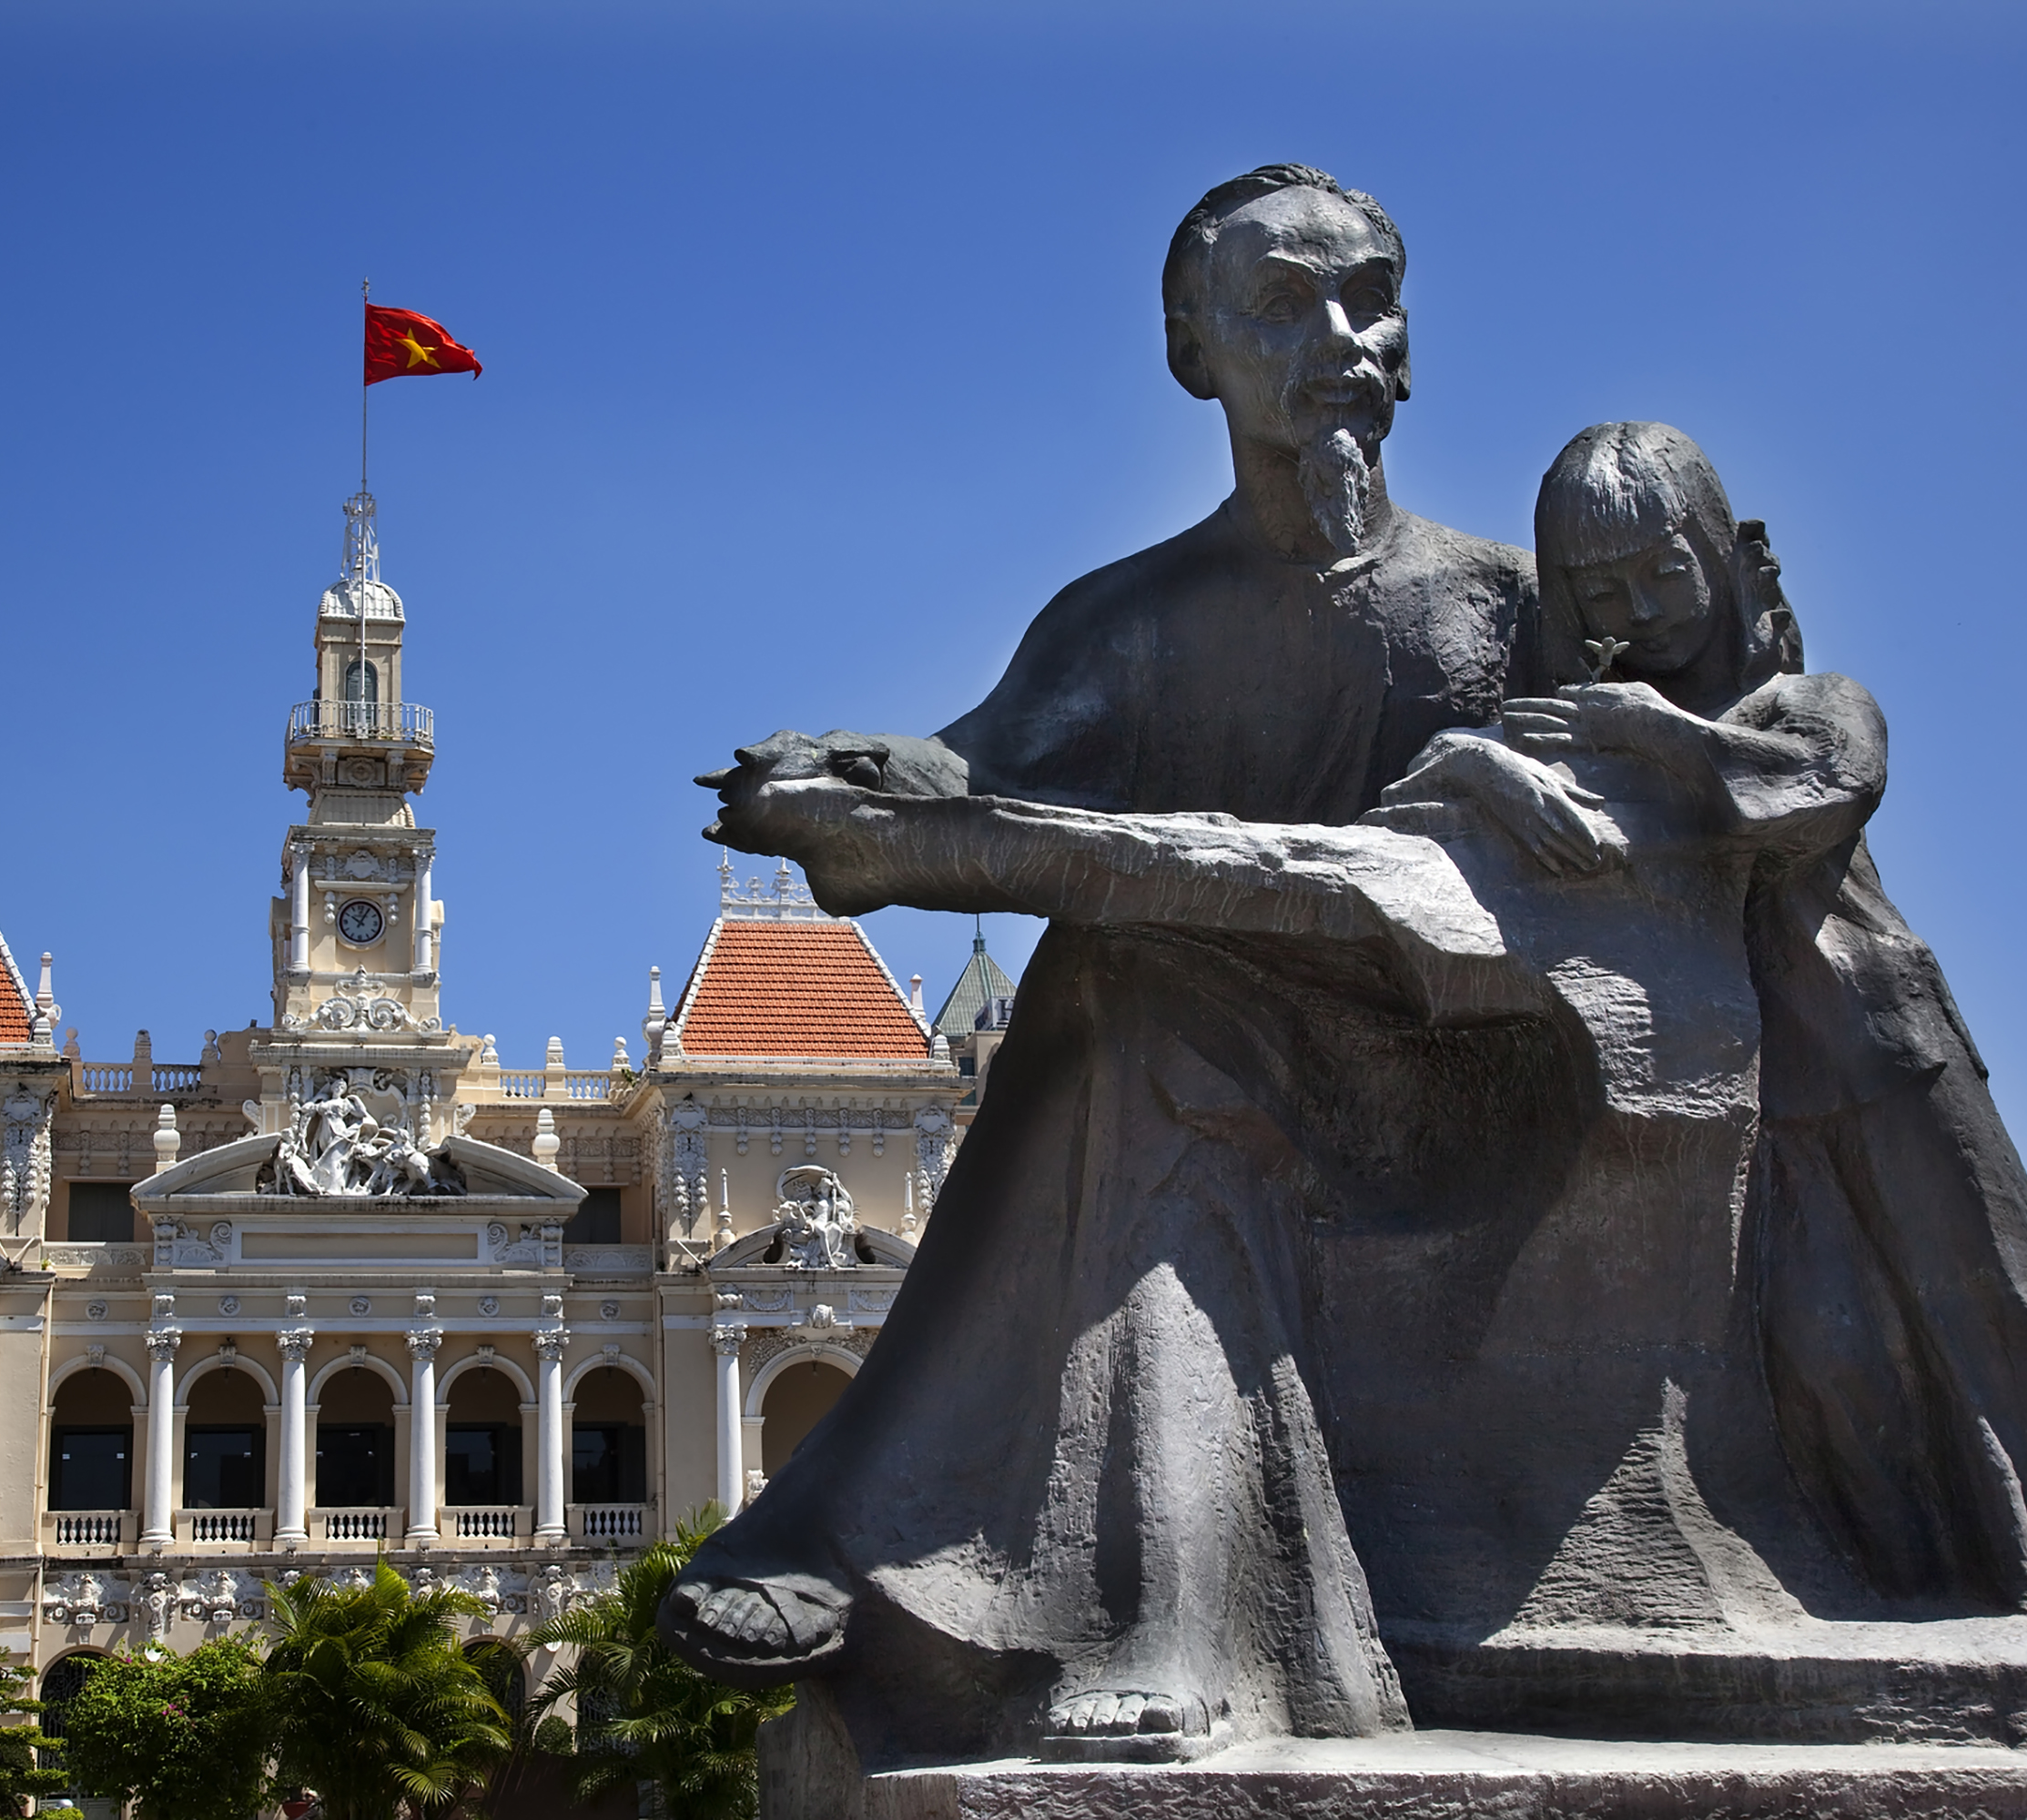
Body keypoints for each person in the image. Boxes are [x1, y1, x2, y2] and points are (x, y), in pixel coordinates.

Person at [665, 165, 1600, 1759]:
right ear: (1195, 350)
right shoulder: (1129, 620)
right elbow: (969, 770)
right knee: (1127, 989)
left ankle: (1121, 1606)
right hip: (1226, 1061)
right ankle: (1110, 1591)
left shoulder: (1504, 609)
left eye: (1368, 295)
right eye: (1281, 304)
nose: (1339, 339)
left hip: (1473, 1070)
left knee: (1144, 996)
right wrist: (846, 778)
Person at [1491, 421, 2027, 1624]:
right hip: (1744, 1086)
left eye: (1664, 569)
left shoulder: (1808, 705)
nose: (1643, 606)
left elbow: (1814, 789)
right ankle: (1907, 1572)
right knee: (1824, 1348)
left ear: (1720, 554)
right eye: (1603, 588)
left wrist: (1662, 739)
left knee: (1993, 1292)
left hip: (1883, 1047)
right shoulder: (1604, 738)